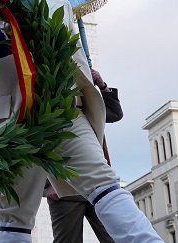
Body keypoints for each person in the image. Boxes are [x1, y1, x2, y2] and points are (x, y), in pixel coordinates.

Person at [0, 0, 162, 243]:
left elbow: (75, 63)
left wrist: (90, 77)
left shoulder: (59, 8)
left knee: (104, 182)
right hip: (11, 122)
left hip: (64, 112)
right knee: (13, 215)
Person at [45, 70, 123, 243]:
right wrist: (48, 186)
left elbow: (115, 114)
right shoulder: (45, 105)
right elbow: (37, 145)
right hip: (63, 190)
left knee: (116, 237)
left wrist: (101, 85)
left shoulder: (90, 107)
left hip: (98, 184)